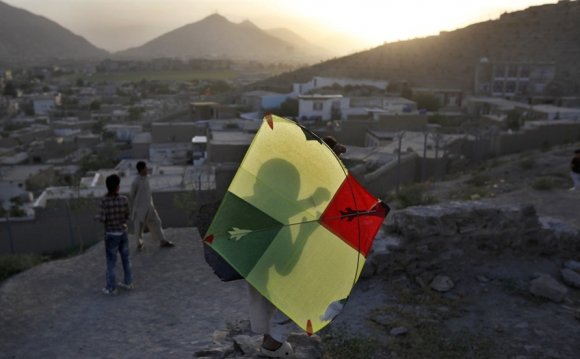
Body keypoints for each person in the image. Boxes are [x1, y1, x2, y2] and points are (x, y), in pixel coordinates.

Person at [249, 137, 346, 358]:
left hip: (257, 267)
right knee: (282, 299)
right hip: (269, 270)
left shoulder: (256, 200)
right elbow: (285, 268)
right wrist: (304, 234)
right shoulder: (277, 215)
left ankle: (270, 340)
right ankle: (272, 343)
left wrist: (326, 156)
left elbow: (290, 199)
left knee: (265, 304)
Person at [96, 174, 132, 295]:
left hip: (111, 234)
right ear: (118, 186)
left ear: (107, 187)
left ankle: (111, 288)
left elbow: (101, 218)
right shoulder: (124, 199)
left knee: (111, 262)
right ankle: (128, 282)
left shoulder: (103, 201)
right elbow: (128, 215)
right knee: (126, 259)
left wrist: (97, 217)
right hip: (123, 232)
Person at [130, 161, 175, 250]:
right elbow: (132, 195)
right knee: (139, 228)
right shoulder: (135, 182)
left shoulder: (147, 178)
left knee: (157, 222)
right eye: (145, 168)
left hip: (150, 207)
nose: (147, 169)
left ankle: (162, 241)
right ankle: (139, 244)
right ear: (142, 169)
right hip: (140, 209)